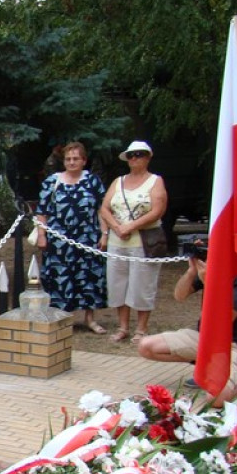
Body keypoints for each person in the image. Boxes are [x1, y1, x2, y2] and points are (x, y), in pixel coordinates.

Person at [138, 238, 237, 405]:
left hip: (234, 344)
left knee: (216, 399)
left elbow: (224, 319)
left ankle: (231, 374)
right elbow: (179, 296)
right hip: (205, 338)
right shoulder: (213, 264)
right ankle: (208, 367)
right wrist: (191, 271)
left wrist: (209, 282)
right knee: (146, 346)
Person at [99, 140, 168, 345]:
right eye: (131, 155)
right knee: (118, 283)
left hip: (144, 241)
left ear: (148, 157)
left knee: (142, 284)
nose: (135, 159)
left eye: (139, 154)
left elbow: (157, 210)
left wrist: (132, 226)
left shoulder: (155, 181)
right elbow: (104, 208)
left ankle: (141, 328)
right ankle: (123, 326)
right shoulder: (118, 181)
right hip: (117, 241)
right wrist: (117, 227)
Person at [35, 141, 108, 333]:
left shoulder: (92, 181)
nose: (72, 162)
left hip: (87, 237)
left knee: (89, 278)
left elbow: (102, 210)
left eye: (76, 158)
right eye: (68, 159)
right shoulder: (52, 181)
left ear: (84, 160)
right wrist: (41, 235)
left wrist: (105, 234)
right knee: (60, 278)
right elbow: (41, 212)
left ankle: (90, 319)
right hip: (59, 240)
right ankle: (62, 318)